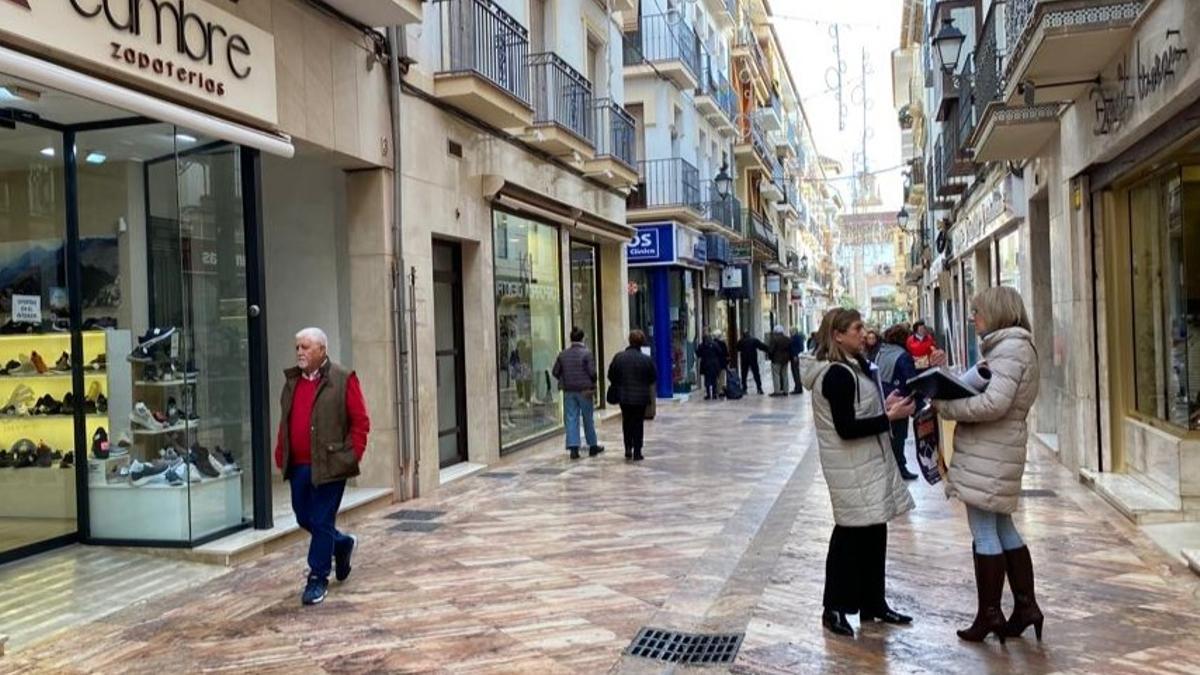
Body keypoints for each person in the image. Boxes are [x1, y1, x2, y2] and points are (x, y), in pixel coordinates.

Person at [930, 287, 1042, 644]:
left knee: (984, 531)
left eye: (977, 312)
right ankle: (1026, 607)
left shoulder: (1010, 348)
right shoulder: (1011, 347)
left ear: (995, 312)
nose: (973, 319)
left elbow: (994, 404)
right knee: (1003, 527)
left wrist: (947, 408)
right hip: (996, 448)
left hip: (990, 450)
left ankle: (989, 614)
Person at [799, 308, 916, 638]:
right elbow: (846, 428)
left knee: (874, 534)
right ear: (837, 335)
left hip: (866, 464)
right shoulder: (835, 373)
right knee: (849, 538)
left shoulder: (855, 365)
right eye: (857, 328)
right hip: (850, 466)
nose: (864, 333)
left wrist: (885, 402)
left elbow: (860, 408)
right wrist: (889, 417)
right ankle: (833, 608)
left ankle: (873, 604)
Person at [274, 327, 371, 606]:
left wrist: (351, 456)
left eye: (305, 347)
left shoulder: (343, 379)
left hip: (331, 464)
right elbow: (286, 421)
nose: (300, 353)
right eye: (297, 348)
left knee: (321, 520)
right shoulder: (292, 382)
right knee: (305, 518)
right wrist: (282, 452)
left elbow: (361, 421)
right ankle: (342, 544)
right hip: (300, 465)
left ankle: (317, 578)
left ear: (321, 350)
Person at [876, 324, 919, 481]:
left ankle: (892, 467)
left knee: (891, 436)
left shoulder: (882, 352)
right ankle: (900, 467)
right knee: (900, 435)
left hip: (884, 397)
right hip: (900, 398)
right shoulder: (902, 355)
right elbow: (911, 379)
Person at [552, 327, 603, 460]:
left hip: (569, 390)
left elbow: (555, 371)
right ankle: (592, 445)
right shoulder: (587, 353)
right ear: (582, 338)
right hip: (585, 390)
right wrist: (593, 382)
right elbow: (592, 373)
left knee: (571, 418)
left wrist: (565, 378)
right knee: (588, 418)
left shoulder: (563, 354)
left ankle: (573, 448)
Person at [607, 330, 657, 461]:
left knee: (627, 421)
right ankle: (638, 451)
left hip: (624, 396)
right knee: (638, 423)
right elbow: (653, 378)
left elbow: (611, 375)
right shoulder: (646, 360)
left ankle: (628, 447)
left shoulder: (619, 357)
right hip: (640, 398)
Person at [695, 332, 726, 400]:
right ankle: (714, 394)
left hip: (706, 365)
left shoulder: (702, 345)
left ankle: (708, 394)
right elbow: (720, 352)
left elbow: (698, 354)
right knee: (714, 379)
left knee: (707, 380)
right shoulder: (715, 344)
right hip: (714, 365)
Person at [736, 330, 768, 395]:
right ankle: (759, 388)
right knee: (756, 373)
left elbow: (737, 348)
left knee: (744, 374)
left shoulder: (741, 341)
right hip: (753, 359)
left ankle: (744, 388)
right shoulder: (754, 340)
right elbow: (761, 346)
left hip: (744, 359)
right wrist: (769, 349)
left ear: (743, 335)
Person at [767, 325, 792, 396]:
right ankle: (786, 390)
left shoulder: (774, 339)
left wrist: (770, 357)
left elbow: (771, 350)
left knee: (776, 375)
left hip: (776, 359)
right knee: (785, 375)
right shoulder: (787, 339)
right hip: (785, 360)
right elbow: (790, 350)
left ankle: (777, 391)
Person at [789, 327, 806, 395]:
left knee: (796, 373)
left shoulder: (796, 338)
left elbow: (800, 347)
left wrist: (796, 355)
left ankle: (798, 388)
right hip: (793, 357)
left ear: (795, 331)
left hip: (795, 357)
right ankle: (797, 387)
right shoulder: (794, 337)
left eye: (791, 331)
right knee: (795, 373)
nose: (790, 332)